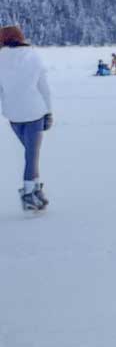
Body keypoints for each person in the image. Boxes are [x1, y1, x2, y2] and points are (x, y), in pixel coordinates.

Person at [0, 25, 53, 211]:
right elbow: (43, 87)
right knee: (32, 154)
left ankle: (36, 189)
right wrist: (48, 111)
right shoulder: (33, 56)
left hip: (13, 114)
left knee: (30, 154)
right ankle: (29, 193)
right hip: (34, 111)